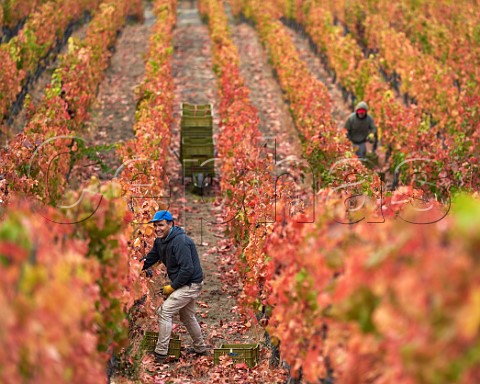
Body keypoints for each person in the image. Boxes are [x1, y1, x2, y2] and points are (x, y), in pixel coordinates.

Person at [141, 210, 207, 363]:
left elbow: (188, 269)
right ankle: (201, 349)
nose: (157, 229)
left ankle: (161, 354)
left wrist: (172, 287)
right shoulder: (160, 241)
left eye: (161, 225)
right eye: (156, 226)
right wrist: (135, 266)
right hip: (183, 283)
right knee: (187, 316)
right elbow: (151, 259)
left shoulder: (181, 241)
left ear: (170, 224)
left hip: (191, 284)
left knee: (164, 311)